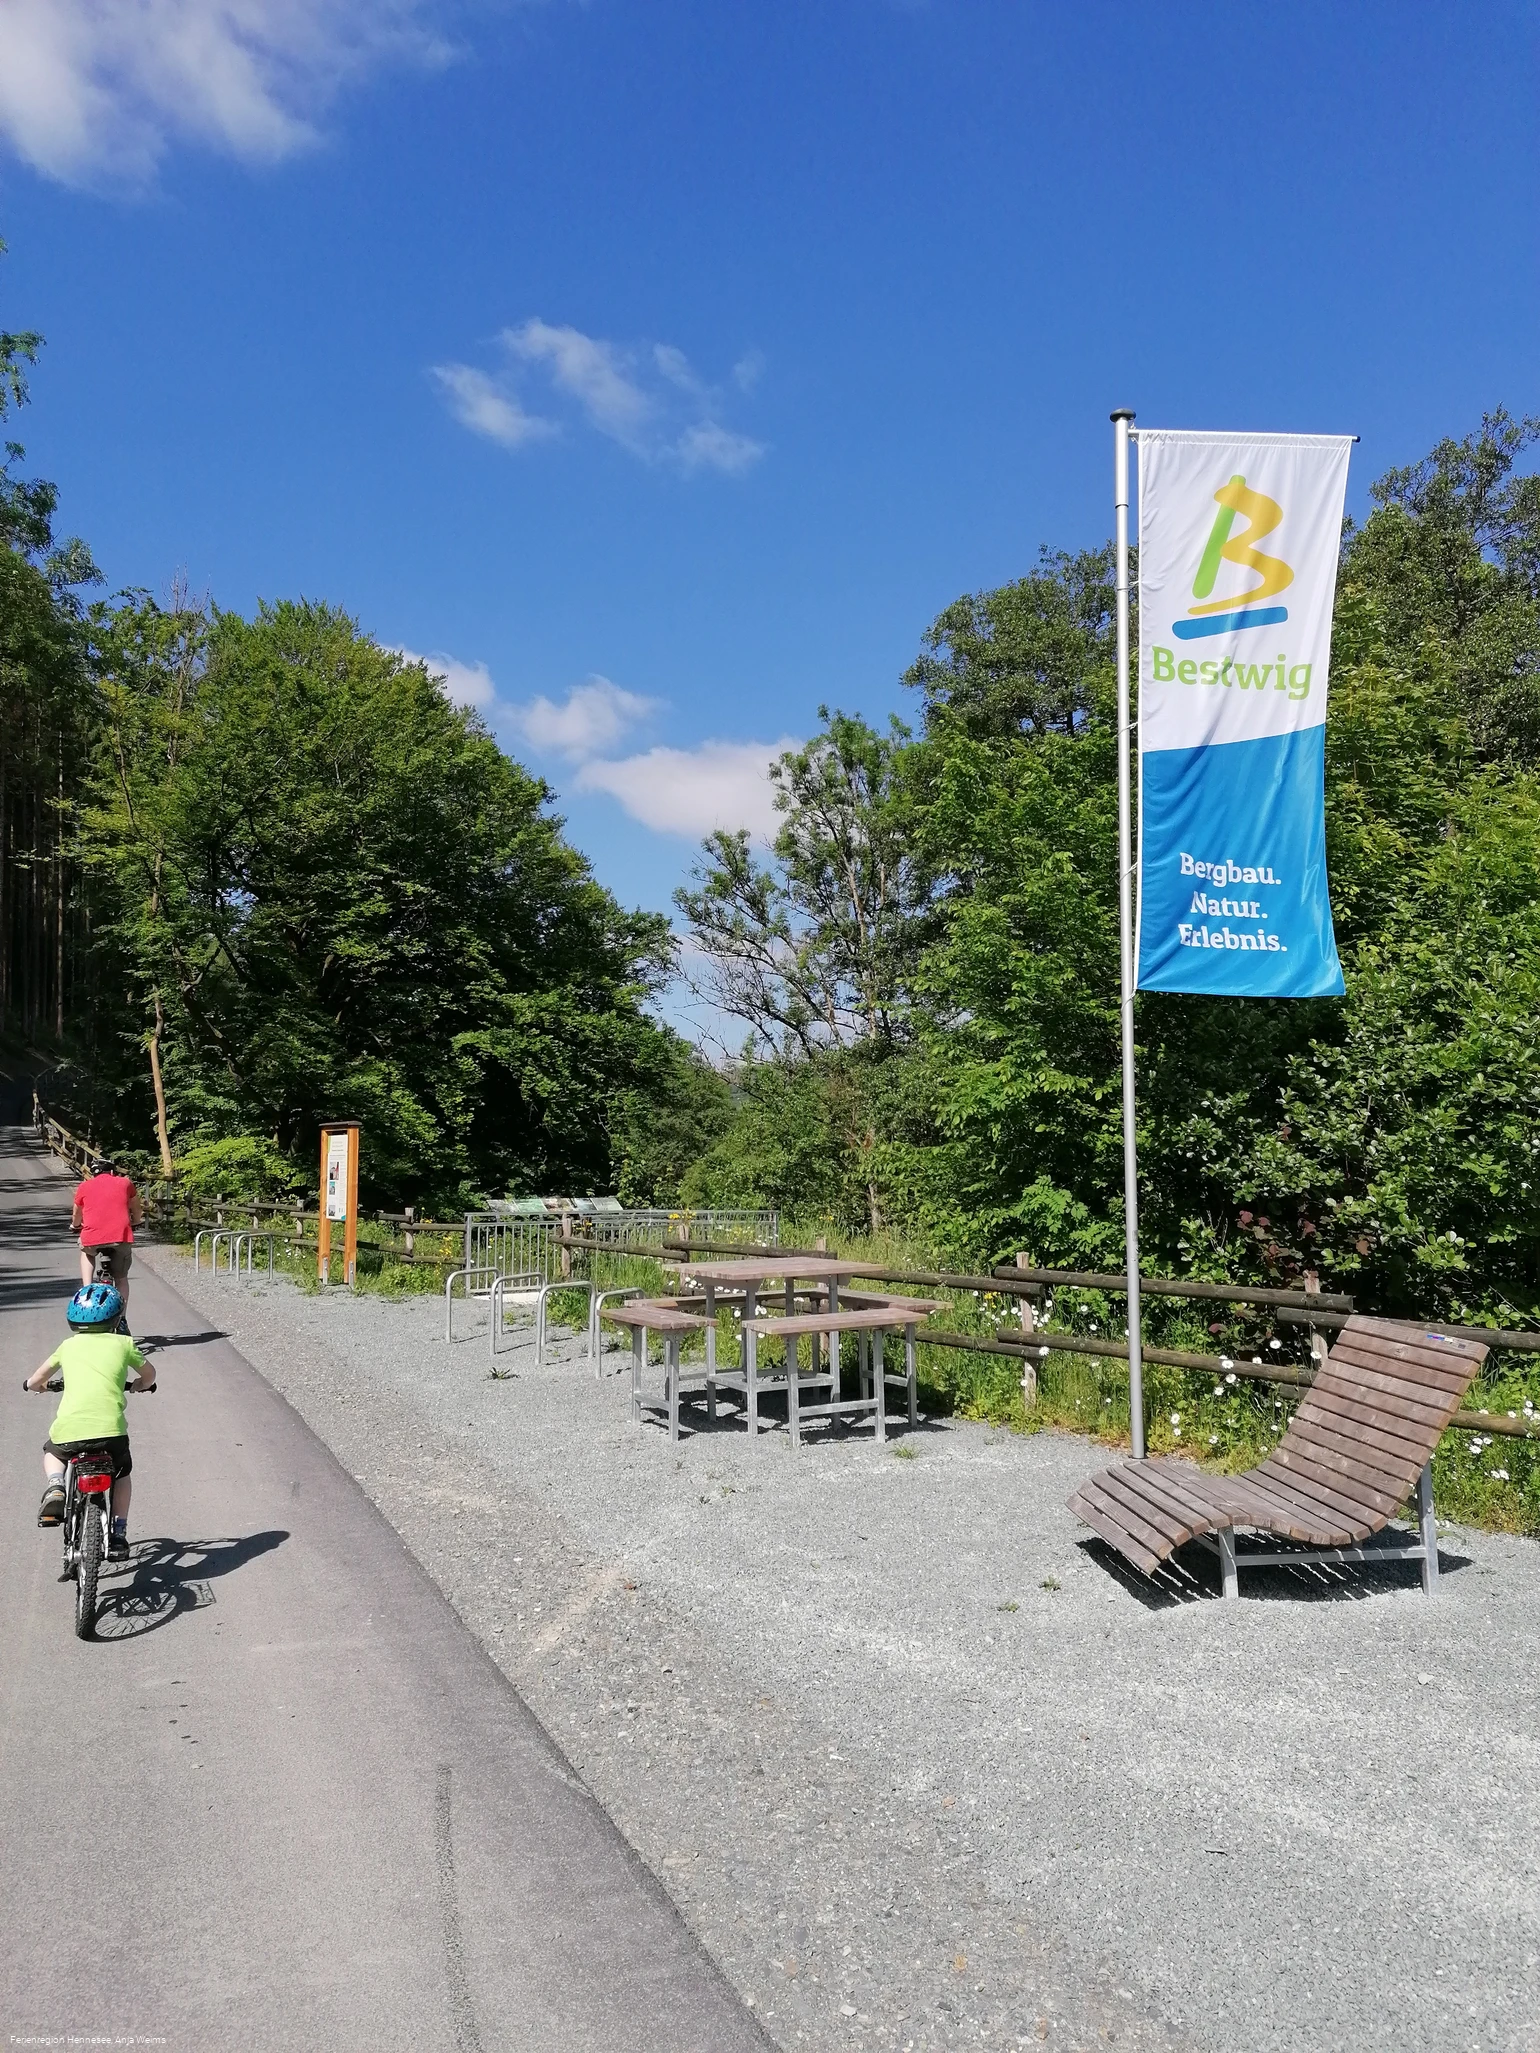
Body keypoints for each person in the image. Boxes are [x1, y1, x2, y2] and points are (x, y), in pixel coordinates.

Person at [24, 1282, 154, 1561]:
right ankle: (118, 1534)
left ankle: (57, 1484)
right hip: (111, 1434)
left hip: (70, 1434)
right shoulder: (124, 1343)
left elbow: (35, 1380)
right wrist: (141, 1385)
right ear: (117, 1318)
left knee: (52, 1451)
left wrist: (38, 1386)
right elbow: (150, 1375)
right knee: (121, 1474)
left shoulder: (67, 1347)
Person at [70, 1155, 144, 1320]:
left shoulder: (84, 1186)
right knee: (121, 1279)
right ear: (112, 1171)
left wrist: (75, 1226)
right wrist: (137, 1221)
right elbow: (136, 1207)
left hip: (92, 1236)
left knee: (86, 1251)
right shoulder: (125, 1183)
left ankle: (87, 1288)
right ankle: (122, 1319)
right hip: (120, 1236)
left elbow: (76, 1213)